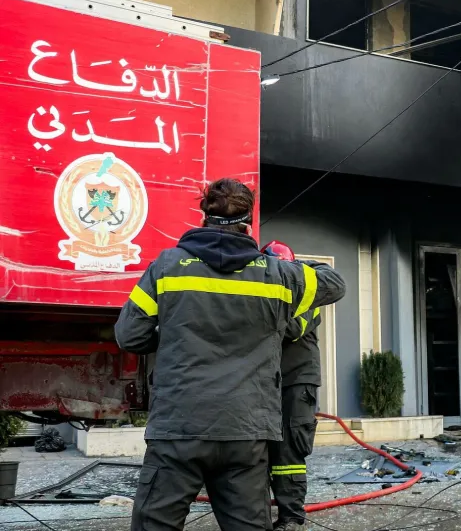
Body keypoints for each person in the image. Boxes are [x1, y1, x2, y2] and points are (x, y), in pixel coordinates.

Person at [114, 178, 346, 531]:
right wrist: (284, 263)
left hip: (179, 427)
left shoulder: (168, 266)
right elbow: (335, 282)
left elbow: (129, 335)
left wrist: (172, 334)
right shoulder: (278, 276)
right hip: (246, 431)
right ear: (249, 222)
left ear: (203, 216)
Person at [263, 240, 324, 531]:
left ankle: (291, 517)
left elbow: (293, 328)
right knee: (260, 448)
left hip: (297, 381)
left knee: (289, 451)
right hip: (266, 383)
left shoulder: (306, 295)